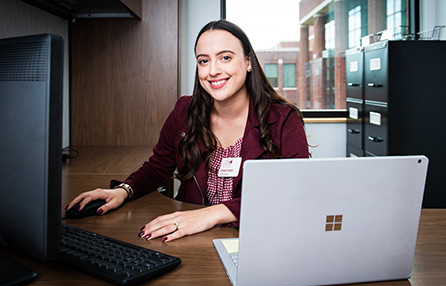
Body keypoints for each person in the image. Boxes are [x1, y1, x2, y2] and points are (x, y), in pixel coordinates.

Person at [66, 20, 309, 242]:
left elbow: (295, 193)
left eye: (225, 57)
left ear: (248, 62)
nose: (213, 70)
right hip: (189, 238)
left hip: (255, 239)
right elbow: (159, 166)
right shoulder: (185, 111)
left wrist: (212, 215)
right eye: (204, 60)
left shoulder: (284, 119)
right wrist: (123, 190)